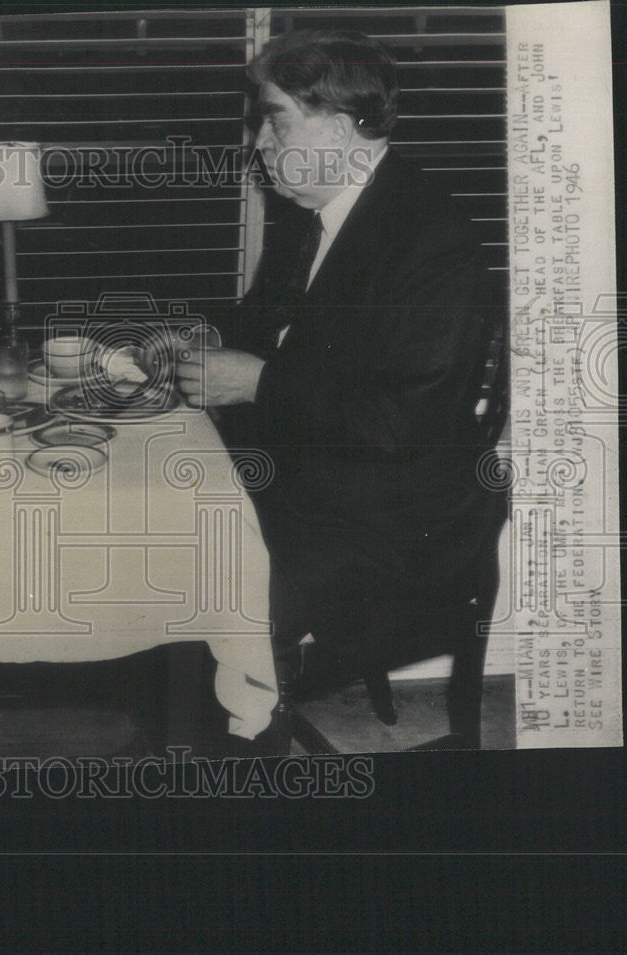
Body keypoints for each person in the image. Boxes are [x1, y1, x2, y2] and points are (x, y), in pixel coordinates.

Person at [177, 30, 508, 700]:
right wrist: (197, 332)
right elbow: (264, 317)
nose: (259, 145)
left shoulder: (432, 242)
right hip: (317, 479)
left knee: (196, 593)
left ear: (335, 128)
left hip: (390, 521)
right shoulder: (315, 211)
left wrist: (256, 380)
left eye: (274, 121)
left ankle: (232, 758)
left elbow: (397, 424)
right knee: (159, 526)